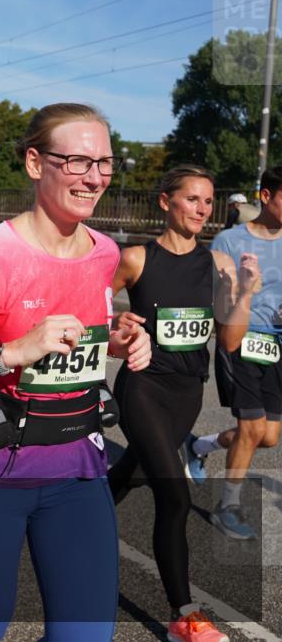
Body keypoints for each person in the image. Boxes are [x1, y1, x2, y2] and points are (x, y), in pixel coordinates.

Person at [0, 102, 151, 641]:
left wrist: (117, 340)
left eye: (105, 163)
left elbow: (75, 341)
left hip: (77, 470)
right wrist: (11, 353)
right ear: (36, 163)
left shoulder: (105, 254)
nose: (94, 177)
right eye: (78, 161)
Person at [107, 165, 257, 642]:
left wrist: (245, 293)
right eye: (192, 199)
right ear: (165, 202)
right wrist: (114, 325)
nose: (202, 209)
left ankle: (68, 520)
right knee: (175, 496)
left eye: (208, 201)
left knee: (132, 470)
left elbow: (229, 341)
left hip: (187, 393)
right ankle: (183, 614)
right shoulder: (136, 258)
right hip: (143, 387)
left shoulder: (218, 263)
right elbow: (89, 305)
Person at [185, 165, 282, 541]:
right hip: (239, 340)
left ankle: (198, 445)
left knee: (268, 436)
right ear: (266, 196)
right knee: (252, 428)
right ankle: (227, 507)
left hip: (275, 345)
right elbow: (215, 295)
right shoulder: (230, 240)